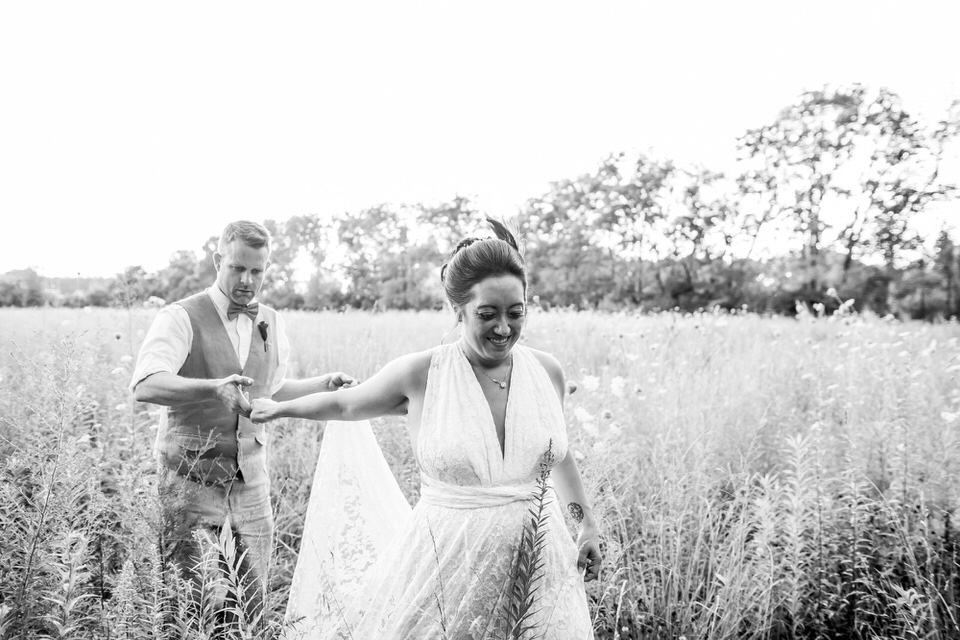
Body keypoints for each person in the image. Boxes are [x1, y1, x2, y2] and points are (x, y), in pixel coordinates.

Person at [252, 218, 601, 639]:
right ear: (457, 310)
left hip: (539, 562)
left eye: (516, 312)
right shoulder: (422, 373)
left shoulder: (548, 372)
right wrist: (277, 409)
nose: (504, 328)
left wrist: (585, 524)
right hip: (449, 565)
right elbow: (345, 404)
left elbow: (558, 458)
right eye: (487, 314)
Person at [130, 220, 356, 625]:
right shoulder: (180, 317)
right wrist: (214, 388)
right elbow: (146, 384)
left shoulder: (271, 320)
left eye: (258, 270)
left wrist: (323, 384)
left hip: (251, 484)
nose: (248, 280)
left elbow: (271, 390)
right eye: (237, 268)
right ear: (218, 261)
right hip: (190, 483)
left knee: (251, 604)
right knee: (190, 607)